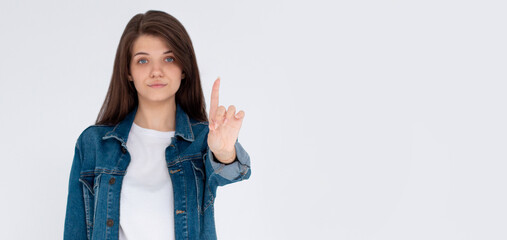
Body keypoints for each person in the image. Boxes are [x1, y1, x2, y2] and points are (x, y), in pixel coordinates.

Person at [63, 10, 251, 240]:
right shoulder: (94, 145)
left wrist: (223, 152)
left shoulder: (203, 140)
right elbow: (75, 233)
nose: (156, 71)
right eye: (143, 60)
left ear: (183, 68)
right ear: (128, 72)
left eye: (168, 58)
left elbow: (233, 172)